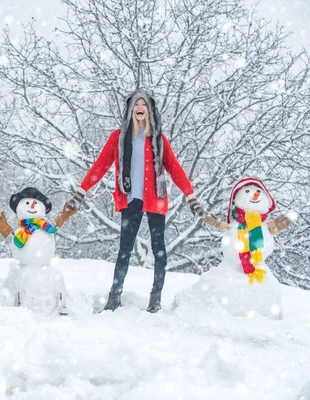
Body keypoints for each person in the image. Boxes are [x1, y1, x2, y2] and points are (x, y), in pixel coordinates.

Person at [65, 89, 207, 313]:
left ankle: (155, 300)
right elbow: (100, 166)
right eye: (136, 104)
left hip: (155, 200)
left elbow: (175, 169)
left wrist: (191, 196)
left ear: (150, 111)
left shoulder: (159, 140)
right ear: (131, 110)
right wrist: (82, 190)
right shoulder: (118, 138)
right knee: (124, 250)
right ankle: (114, 298)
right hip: (130, 199)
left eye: (144, 104)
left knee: (159, 249)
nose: (140, 107)